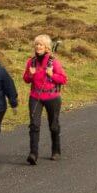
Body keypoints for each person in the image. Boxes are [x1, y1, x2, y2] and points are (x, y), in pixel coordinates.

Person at [23, 34, 68, 165]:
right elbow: (26, 79)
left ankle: (56, 150)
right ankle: (33, 154)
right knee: (34, 125)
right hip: (35, 97)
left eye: (41, 44)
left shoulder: (53, 62)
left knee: (53, 125)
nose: (38, 47)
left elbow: (63, 79)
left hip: (52, 97)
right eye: (36, 44)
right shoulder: (31, 62)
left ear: (46, 47)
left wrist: (52, 74)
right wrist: (30, 74)